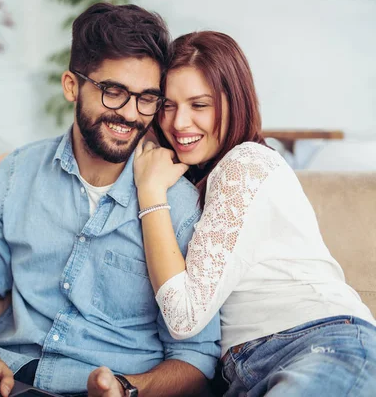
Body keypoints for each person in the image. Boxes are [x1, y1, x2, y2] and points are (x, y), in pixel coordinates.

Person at [0, 4, 221, 397]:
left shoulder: (176, 206)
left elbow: (196, 356)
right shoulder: (15, 174)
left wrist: (125, 390)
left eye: (146, 98)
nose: (129, 114)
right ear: (72, 86)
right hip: (11, 376)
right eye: (113, 92)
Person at [129, 30, 376, 396]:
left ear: (235, 101)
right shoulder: (199, 180)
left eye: (200, 105)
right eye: (168, 105)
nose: (179, 123)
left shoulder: (244, 163)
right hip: (250, 369)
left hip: (320, 344)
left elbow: (183, 317)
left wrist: (149, 191)